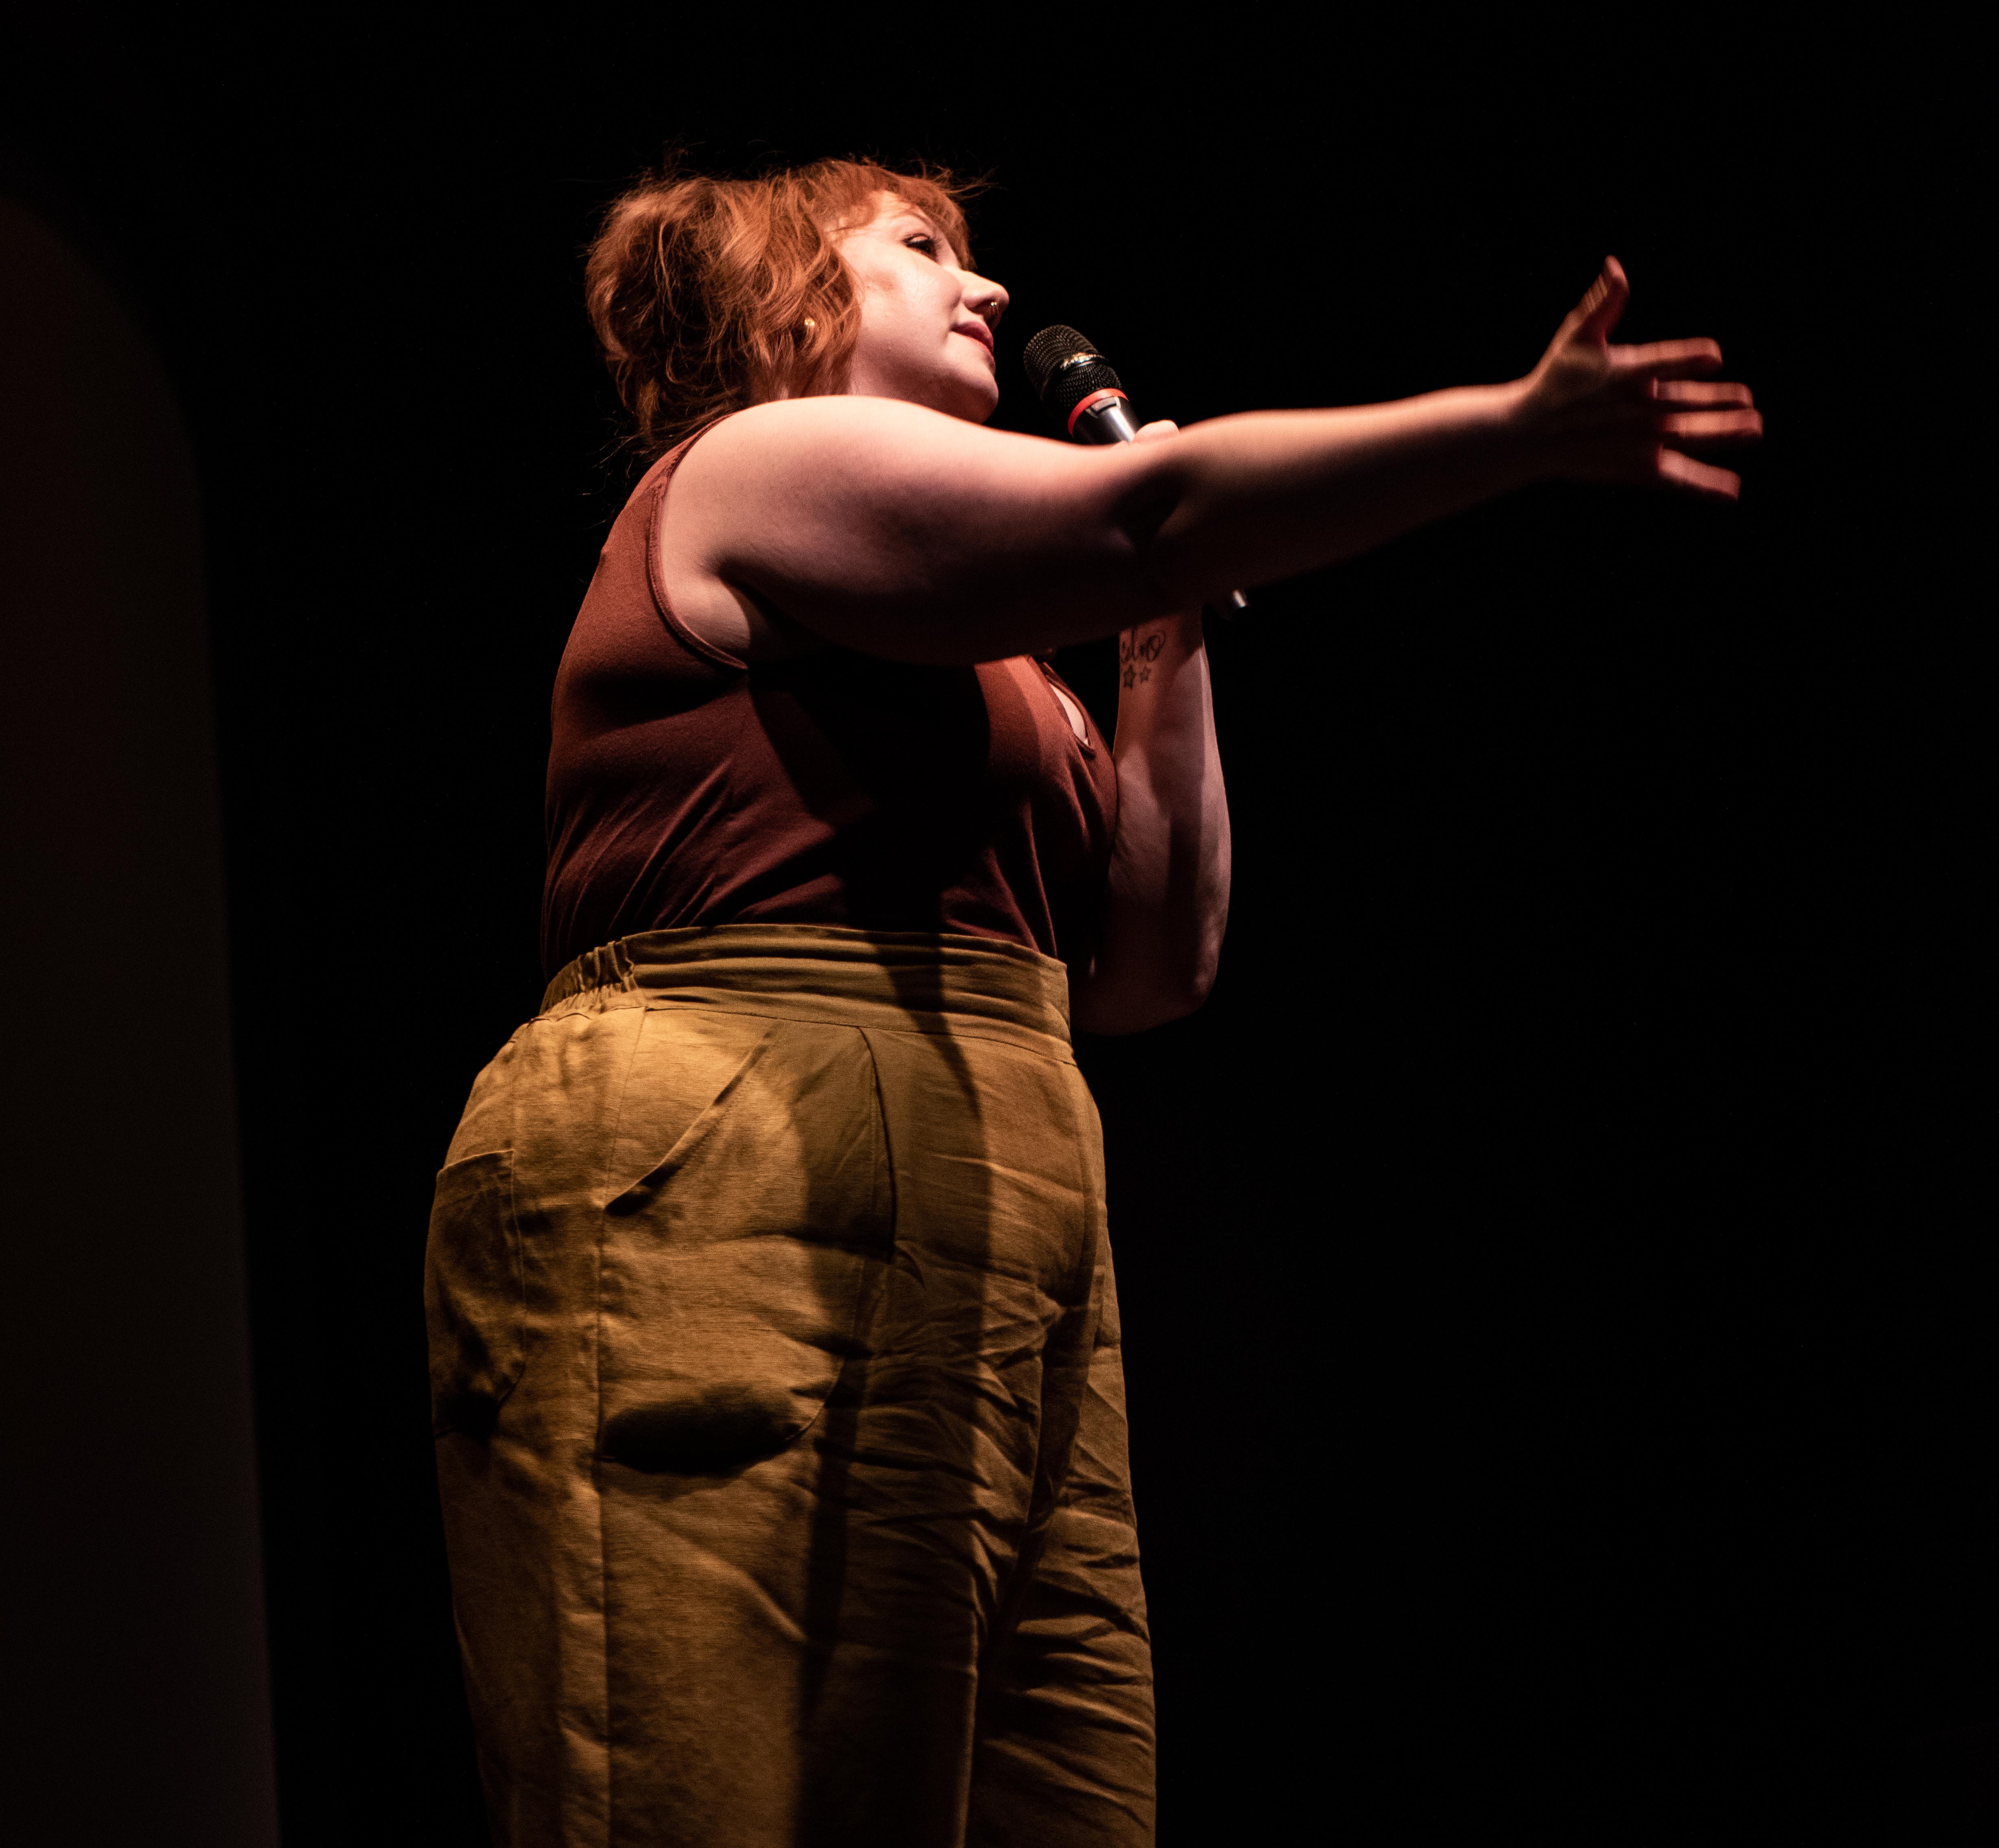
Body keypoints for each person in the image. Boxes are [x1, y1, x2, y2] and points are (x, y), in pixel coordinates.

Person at [424, 154, 1760, 1848]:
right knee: (725, 1771)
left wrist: (1159, 627)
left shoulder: (1004, 659)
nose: (987, 288)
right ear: (784, 299)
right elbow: (1146, 515)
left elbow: (1151, 963)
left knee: (1041, 1782)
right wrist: (1508, 429)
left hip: (1000, 1203)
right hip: (728, 1162)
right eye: (924, 249)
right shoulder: (750, 467)